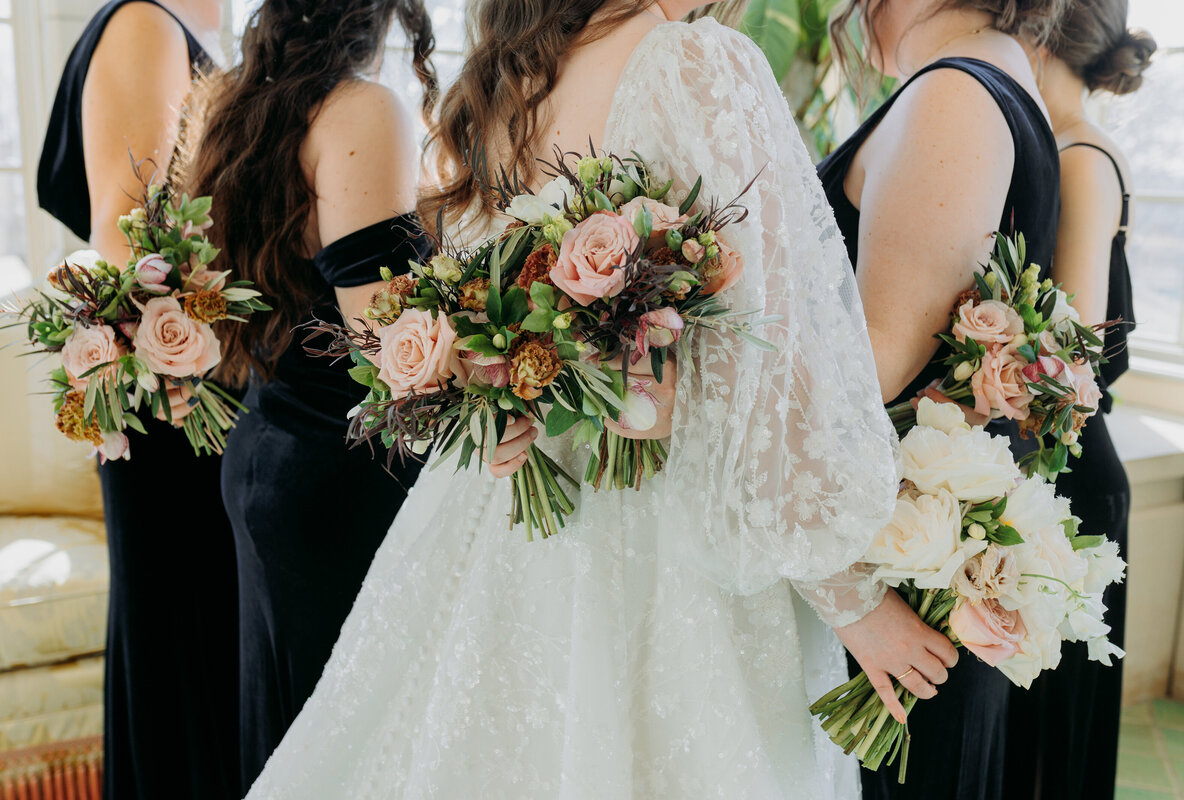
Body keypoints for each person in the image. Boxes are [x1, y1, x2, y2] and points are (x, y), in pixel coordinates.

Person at [240, 2, 958, 797]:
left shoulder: (515, 73)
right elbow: (765, 372)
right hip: (664, 553)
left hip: (504, 527)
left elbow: (490, 329)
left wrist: (502, 399)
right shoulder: (698, 61)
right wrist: (851, 596)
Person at [184, 0, 436, 791]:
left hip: (263, 449)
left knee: (289, 730)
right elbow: (389, 348)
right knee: (348, 740)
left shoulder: (237, 104)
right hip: (342, 472)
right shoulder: (363, 108)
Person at [815, 0, 1064, 798]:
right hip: (912, 571)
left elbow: (875, 366)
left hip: (901, 584)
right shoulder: (989, 72)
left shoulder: (953, 95)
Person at [36, 2, 240, 797]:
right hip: (174, 417)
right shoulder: (146, 27)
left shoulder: (205, 34)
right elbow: (134, 245)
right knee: (186, 667)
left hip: (199, 402)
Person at [1004, 5, 1155, 798]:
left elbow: (1073, 357)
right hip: (1047, 473)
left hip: (1073, 481)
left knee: (1054, 733)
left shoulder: (1080, 157)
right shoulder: (1052, 145)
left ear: (1040, 32)